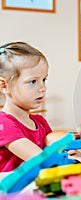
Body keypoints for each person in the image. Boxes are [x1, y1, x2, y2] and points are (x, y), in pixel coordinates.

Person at [0, 42, 53, 172]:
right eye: (33, 81)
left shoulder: (40, 122)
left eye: (44, 80)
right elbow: (41, 159)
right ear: (4, 85)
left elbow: (55, 150)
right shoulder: (3, 123)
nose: (42, 88)